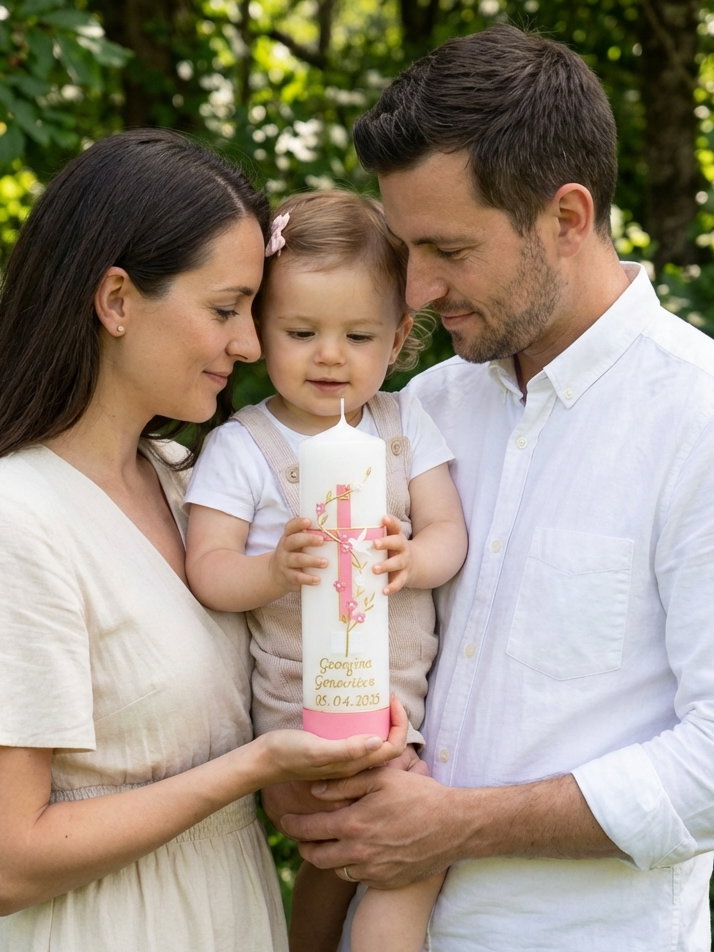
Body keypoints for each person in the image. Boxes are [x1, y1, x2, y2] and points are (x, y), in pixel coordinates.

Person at [276, 24, 714, 952]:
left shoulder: (696, 416)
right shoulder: (416, 410)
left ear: (564, 218)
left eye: (447, 249)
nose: (420, 291)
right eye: (405, 251)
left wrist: (457, 824)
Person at [0, 128, 409, 952]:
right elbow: (11, 860)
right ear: (116, 301)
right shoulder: (22, 515)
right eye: (225, 310)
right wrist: (259, 767)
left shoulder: (189, 485)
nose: (251, 346)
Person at [183, 188, 467, 952]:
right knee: (409, 861)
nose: (330, 355)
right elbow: (208, 570)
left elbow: (448, 533)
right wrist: (275, 571)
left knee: (339, 861)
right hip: (299, 719)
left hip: (398, 709)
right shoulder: (243, 447)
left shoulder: (408, 427)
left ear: (402, 334)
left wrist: (414, 558)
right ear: (258, 330)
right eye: (301, 331)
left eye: (359, 334)